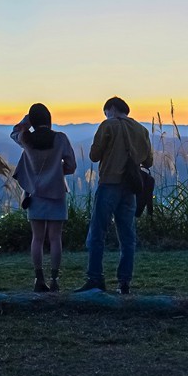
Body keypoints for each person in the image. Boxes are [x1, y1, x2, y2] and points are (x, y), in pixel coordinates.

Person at [76, 96, 153, 294]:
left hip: (109, 184)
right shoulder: (141, 130)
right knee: (127, 237)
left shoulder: (108, 125)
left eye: (106, 112)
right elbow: (149, 161)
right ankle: (124, 283)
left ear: (111, 108)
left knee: (97, 234)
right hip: (130, 188)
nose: (106, 115)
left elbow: (94, 156)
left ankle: (95, 278)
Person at [11, 103, 77, 292]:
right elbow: (71, 166)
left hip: (35, 194)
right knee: (55, 238)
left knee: (37, 238)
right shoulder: (60, 138)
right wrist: (57, 171)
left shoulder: (25, 138)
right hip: (57, 193)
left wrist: (26, 121)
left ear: (32, 121)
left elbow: (14, 131)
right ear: (49, 119)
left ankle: (39, 278)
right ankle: (55, 279)